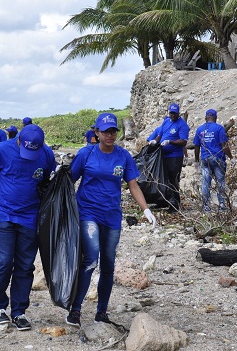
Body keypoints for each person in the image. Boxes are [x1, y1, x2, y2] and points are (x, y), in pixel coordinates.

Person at [65, 113, 157, 328]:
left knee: (108, 265)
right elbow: (70, 180)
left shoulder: (123, 156)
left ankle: (102, 312)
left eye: (113, 131)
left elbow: (133, 184)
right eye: (105, 131)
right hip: (88, 213)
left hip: (112, 216)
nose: (110, 135)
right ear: (96, 133)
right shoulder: (86, 154)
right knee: (91, 259)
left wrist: (146, 210)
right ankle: (75, 310)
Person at [0, 124, 56, 331]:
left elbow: (48, 179)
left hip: (30, 216)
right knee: (4, 260)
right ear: (19, 140)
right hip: (4, 212)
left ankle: (19, 311)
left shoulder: (45, 153)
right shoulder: (0, 151)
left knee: (25, 264)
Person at [193, 109, 236, 212]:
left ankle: (206, 206)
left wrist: (196, 161)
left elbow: (196, 146)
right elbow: (224, 146)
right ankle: (221, 205)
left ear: (206, 117)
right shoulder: (219, 128)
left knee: (205, 182)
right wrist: (231, 157)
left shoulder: (200, 129)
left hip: (205, 159)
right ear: (215, 118)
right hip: (218, 159)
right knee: (220, 182)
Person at [150, 103, 189, 210]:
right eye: (171, 113)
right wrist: (155, 141)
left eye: (174, 113)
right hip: (163, 155)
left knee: (173, 180)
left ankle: (175, 204)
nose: (172, 115)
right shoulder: (166, 121)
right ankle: (163, 201)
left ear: (178, 113)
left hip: (175, 156)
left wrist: (170, 142)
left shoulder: (182, 125)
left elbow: (183, 141)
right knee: (162, 178)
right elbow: (160, 134)